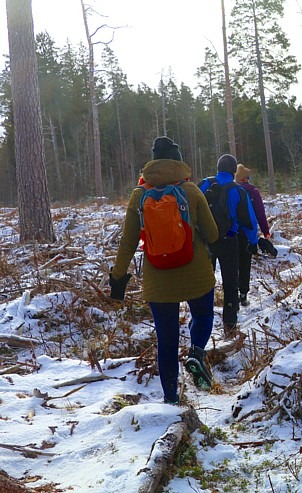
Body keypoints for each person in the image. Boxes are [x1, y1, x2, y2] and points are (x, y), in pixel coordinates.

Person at [109, 137, 219, 405]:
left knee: (166, 340)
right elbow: (213, 234)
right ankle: (196, 352)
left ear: (153, 161)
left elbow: (128, 241)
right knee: (203, 315)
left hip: (158, 281)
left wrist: (117, 276)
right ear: (178, 160)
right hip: (196, 275)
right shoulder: (192, 191)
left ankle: (171, 399)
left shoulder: (139, 196)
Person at [198, 154, 258, 335]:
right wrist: (253, 242)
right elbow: (249, 221)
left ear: (217, 168)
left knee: (204, 282)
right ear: (234, 171)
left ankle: (202, 321)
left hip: (205, 241)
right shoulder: (238, 191)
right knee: (230, 283)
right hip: (229, 241)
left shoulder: (203, 185)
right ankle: (230, 324)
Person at [234, 164, 273, 306]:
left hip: (230, 234)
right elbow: (260, 214)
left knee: (232, 265)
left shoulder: (230, 190)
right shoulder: (253, 192)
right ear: (247, 178)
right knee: (245, 264)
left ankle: (232, 297)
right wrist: (265, 231)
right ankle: (243, 295)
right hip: (247, 233)